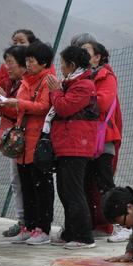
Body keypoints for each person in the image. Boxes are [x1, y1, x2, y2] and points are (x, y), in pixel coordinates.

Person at [0, 41, 55, 244]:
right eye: (27, 60)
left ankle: (43, 229)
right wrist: (4, 103)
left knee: (41, 188)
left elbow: (43, 106)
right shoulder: (25, 82)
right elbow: (21, 109)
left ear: (43, 62)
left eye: (31, 61)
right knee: (27, 186)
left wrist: (18, 103)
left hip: (39, 142)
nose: (28, 64)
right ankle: (29, 227)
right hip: (23, 144)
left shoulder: (48, 81)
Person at [0, 29, 39, 238]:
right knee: (18, 180)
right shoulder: (14, 76)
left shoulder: (34, 76)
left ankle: (34, 225)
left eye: (22, 41)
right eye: (15, 41)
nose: (7, 68)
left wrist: (4, 102)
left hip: (29, 135)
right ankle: (24, 222)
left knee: (30, 181)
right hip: (16, 133)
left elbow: (25, 108)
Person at [47, 45, 100, 249]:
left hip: (76, 146)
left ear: (72, 65)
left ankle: (84, 236)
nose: (60, 68)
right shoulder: (71, 83)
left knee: (74, 192)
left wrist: (55, 91)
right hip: (66, 145)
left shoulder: (83, 85)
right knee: (65, 191)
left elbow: (64, 107)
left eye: (62, 63)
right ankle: (70, 232)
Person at [81, 40, 125, 242]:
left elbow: (103, 102)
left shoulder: (106, 76)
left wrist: (79, 98)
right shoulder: (83, 76)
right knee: (86, 183)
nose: (82, 54)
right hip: (86, 138)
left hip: (103, 139)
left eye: (86, 51)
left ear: (97, 56)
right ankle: (92, 224)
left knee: (104, 184)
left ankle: (115, 224)